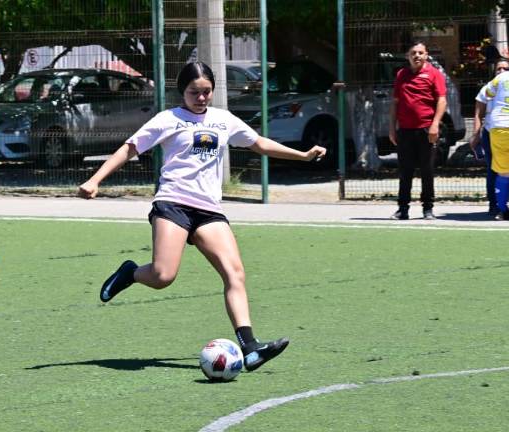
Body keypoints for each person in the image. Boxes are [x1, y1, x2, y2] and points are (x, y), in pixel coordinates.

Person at [77, 61, 326, 372]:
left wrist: (302, 155)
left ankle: (250, 348)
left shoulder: (223, 120)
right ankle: (129, 273)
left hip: (209, 210)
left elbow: (258, 143)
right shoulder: (167, 119)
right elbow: (129, 149)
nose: (202, 97)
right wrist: (95, 180)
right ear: (182, 91)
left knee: (235, 274)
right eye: (195, 92)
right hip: (173, 204)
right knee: (163, 276)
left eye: (207, 91)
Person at [389, 41, 447, 220]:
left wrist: (435, 125)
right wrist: (392, 128)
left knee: (427, 170)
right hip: (405, 131)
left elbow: (442, 100)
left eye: (420, 53)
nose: (417, 56)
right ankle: (403, 209)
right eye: (413, 53)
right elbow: (395, 103)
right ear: (408, 56)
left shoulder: (434, 74)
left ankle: (428, 208)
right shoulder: (402, 74)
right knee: (405, 170)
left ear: (426, 55)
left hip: (426, 130)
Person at [469, 58, 509, 217]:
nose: (501, 72)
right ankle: (494, 206)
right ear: (493, 72)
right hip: (491, 132)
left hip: (507, 131)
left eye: (505, 69)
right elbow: (478, 114)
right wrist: (476, 135)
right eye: (498, 69)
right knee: (494, 170)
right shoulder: (488, 88)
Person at [479, 63, 509, 220]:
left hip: (498, 128)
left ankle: (501, 210)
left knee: (503, 173)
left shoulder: (499, 78)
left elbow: (487, 94)